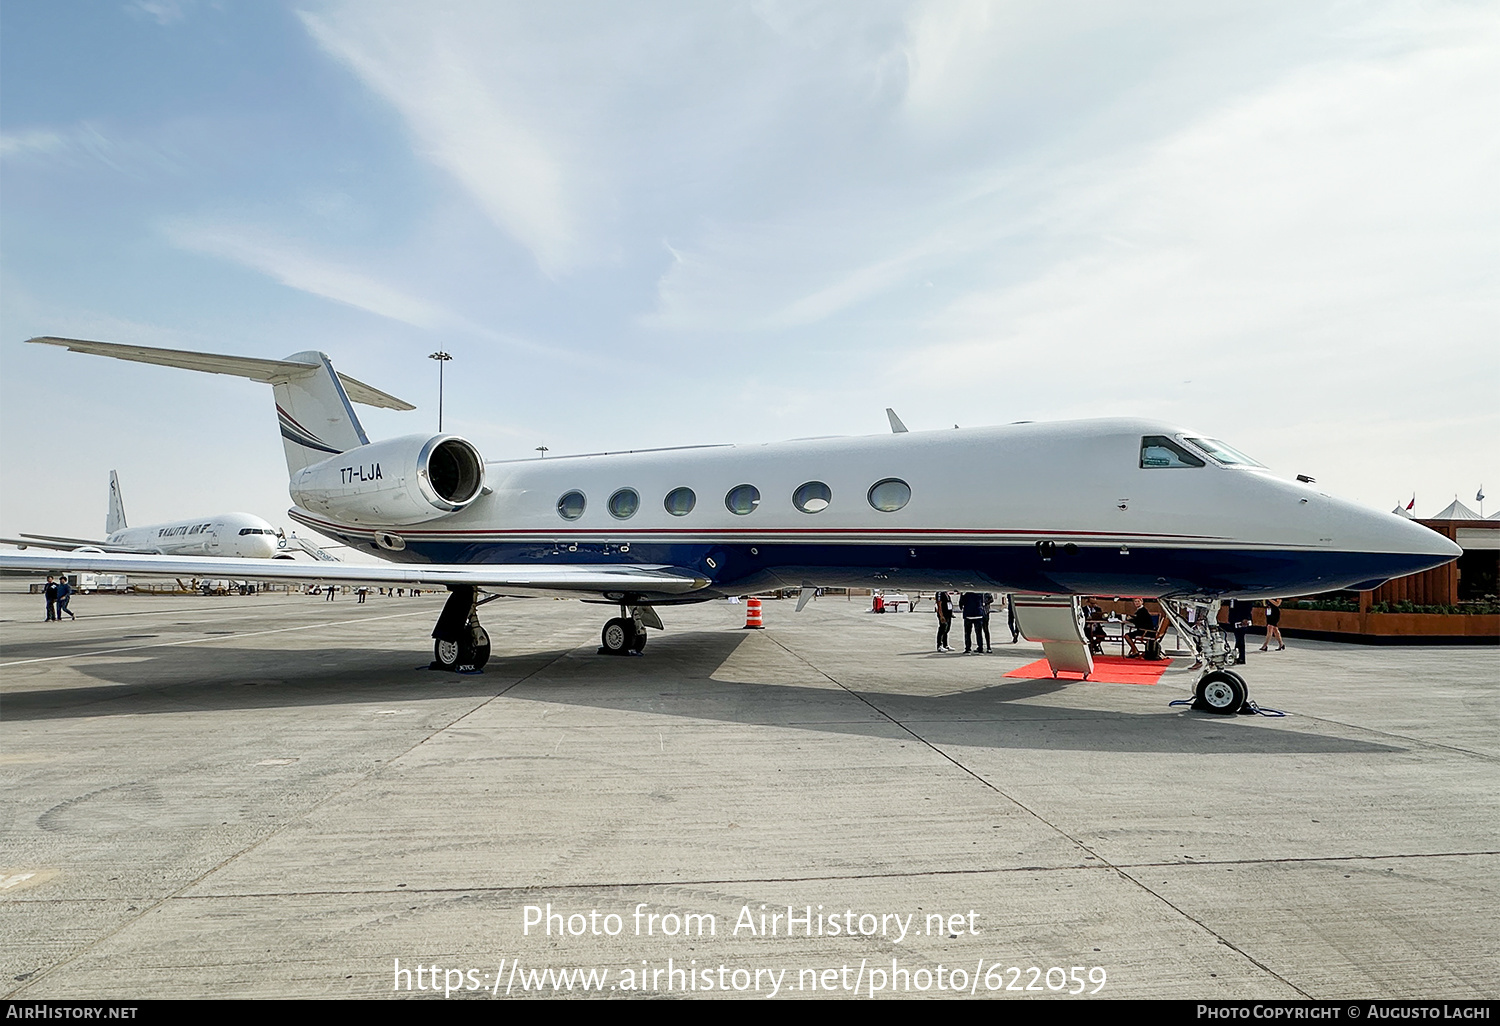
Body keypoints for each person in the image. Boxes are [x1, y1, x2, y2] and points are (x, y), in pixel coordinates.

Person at [1228, 599, 1254, 665]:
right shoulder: (1232, 597)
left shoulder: (1242, 596)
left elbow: (1248, 606)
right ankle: (1238, 656)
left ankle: (1241, 658)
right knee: (1238, 638)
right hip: (1234, 618)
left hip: (1241, 619)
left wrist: (1246, 618)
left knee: (1240, 639)